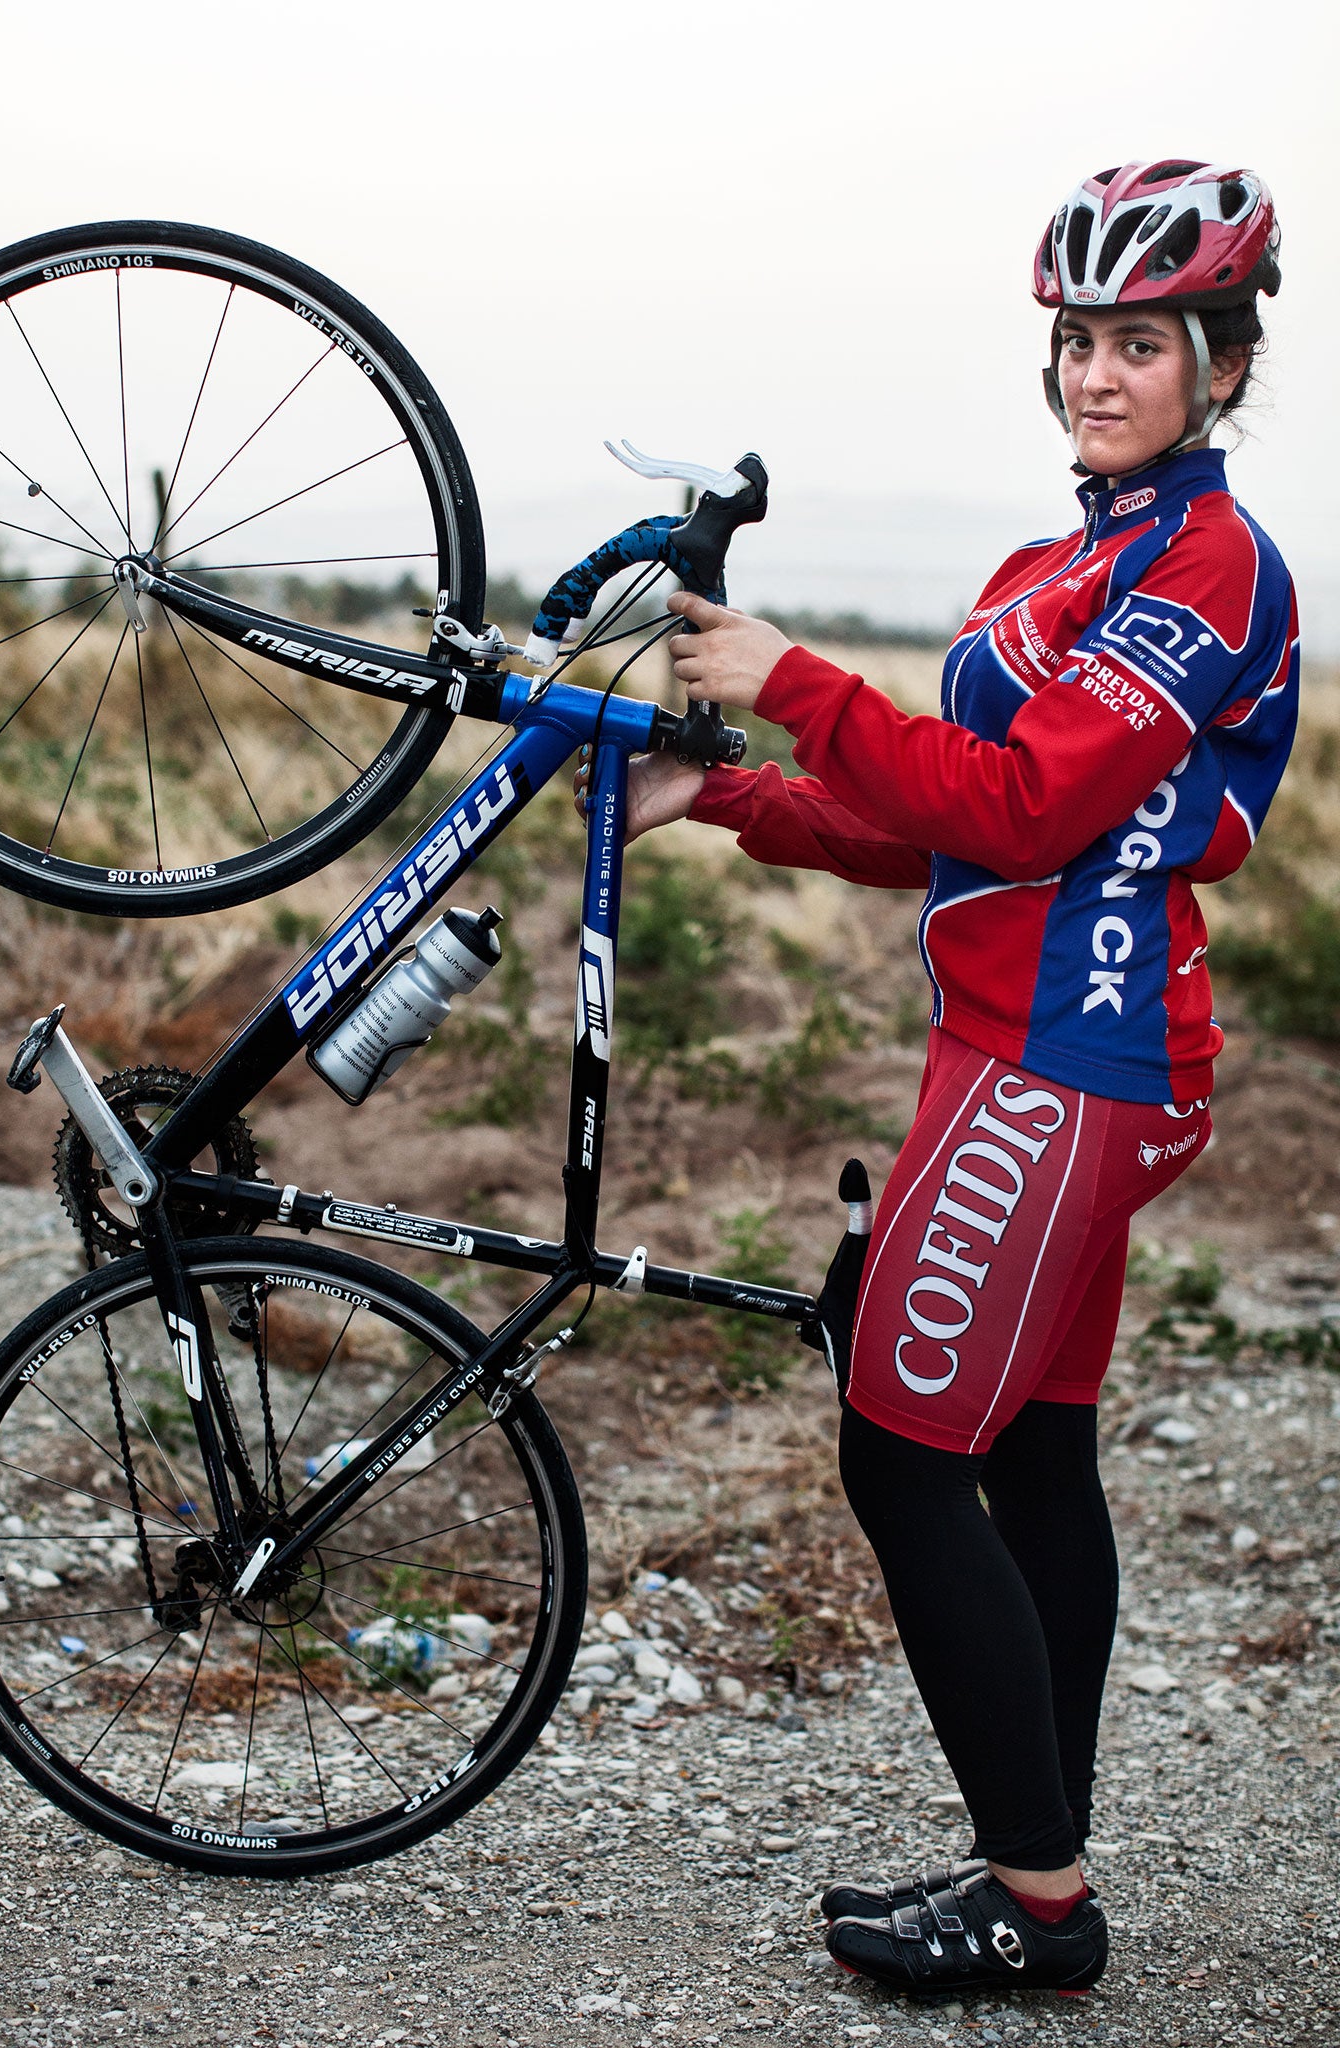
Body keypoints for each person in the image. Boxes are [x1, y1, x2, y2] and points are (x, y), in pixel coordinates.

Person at [588, 159, 1297, 1996]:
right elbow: (935, 834)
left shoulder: (1205, 567)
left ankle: (1035, 1902)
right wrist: (722, 787)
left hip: (1075, 1061)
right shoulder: (1061, 564)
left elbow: (1020, 803)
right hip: (1015, 1052)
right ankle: (1041, 1857)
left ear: (1221, 358)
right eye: (1080, 340)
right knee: (1036, 1453)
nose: (1098, 373)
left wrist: (797, 679)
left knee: (903, 1460)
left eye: (1142, 342)